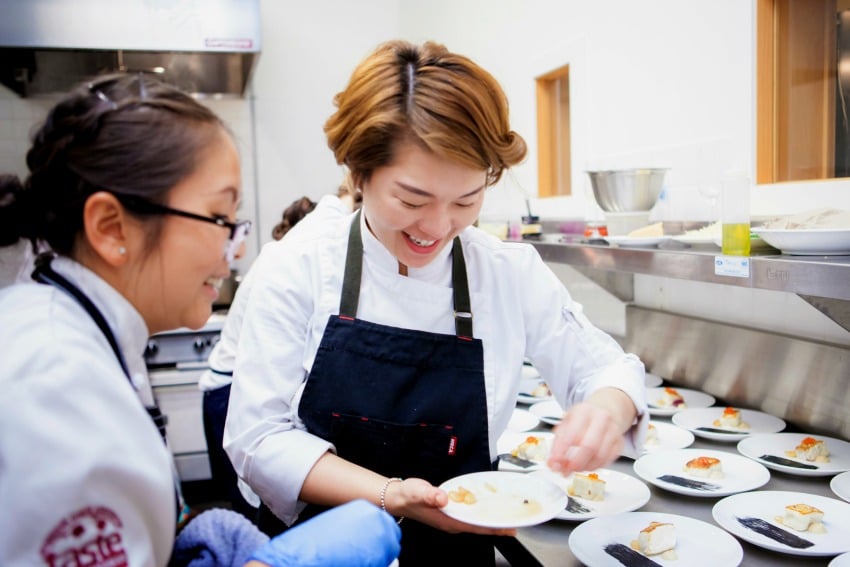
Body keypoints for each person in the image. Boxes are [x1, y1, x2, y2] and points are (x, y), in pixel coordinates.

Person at [224, 39, 648, 565]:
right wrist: (389, 494)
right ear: (359, 173)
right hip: (325, 547)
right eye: (412, 199)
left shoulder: (504, 271)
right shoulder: (298, 267)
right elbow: (258, 439)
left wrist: (607, 408)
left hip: (460, 544)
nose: (437, 226)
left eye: (466, 200)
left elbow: (608, 368)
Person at [0, 73, 400, 567]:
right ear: (110, 227)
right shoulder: (55, 383)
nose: (238, 247)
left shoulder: (83, 331)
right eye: (219, 220)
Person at [199, 188, 359, 520]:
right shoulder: (314, 241)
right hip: (228, 388)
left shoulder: (321, 233)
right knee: (248, 512)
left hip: (229, 381)